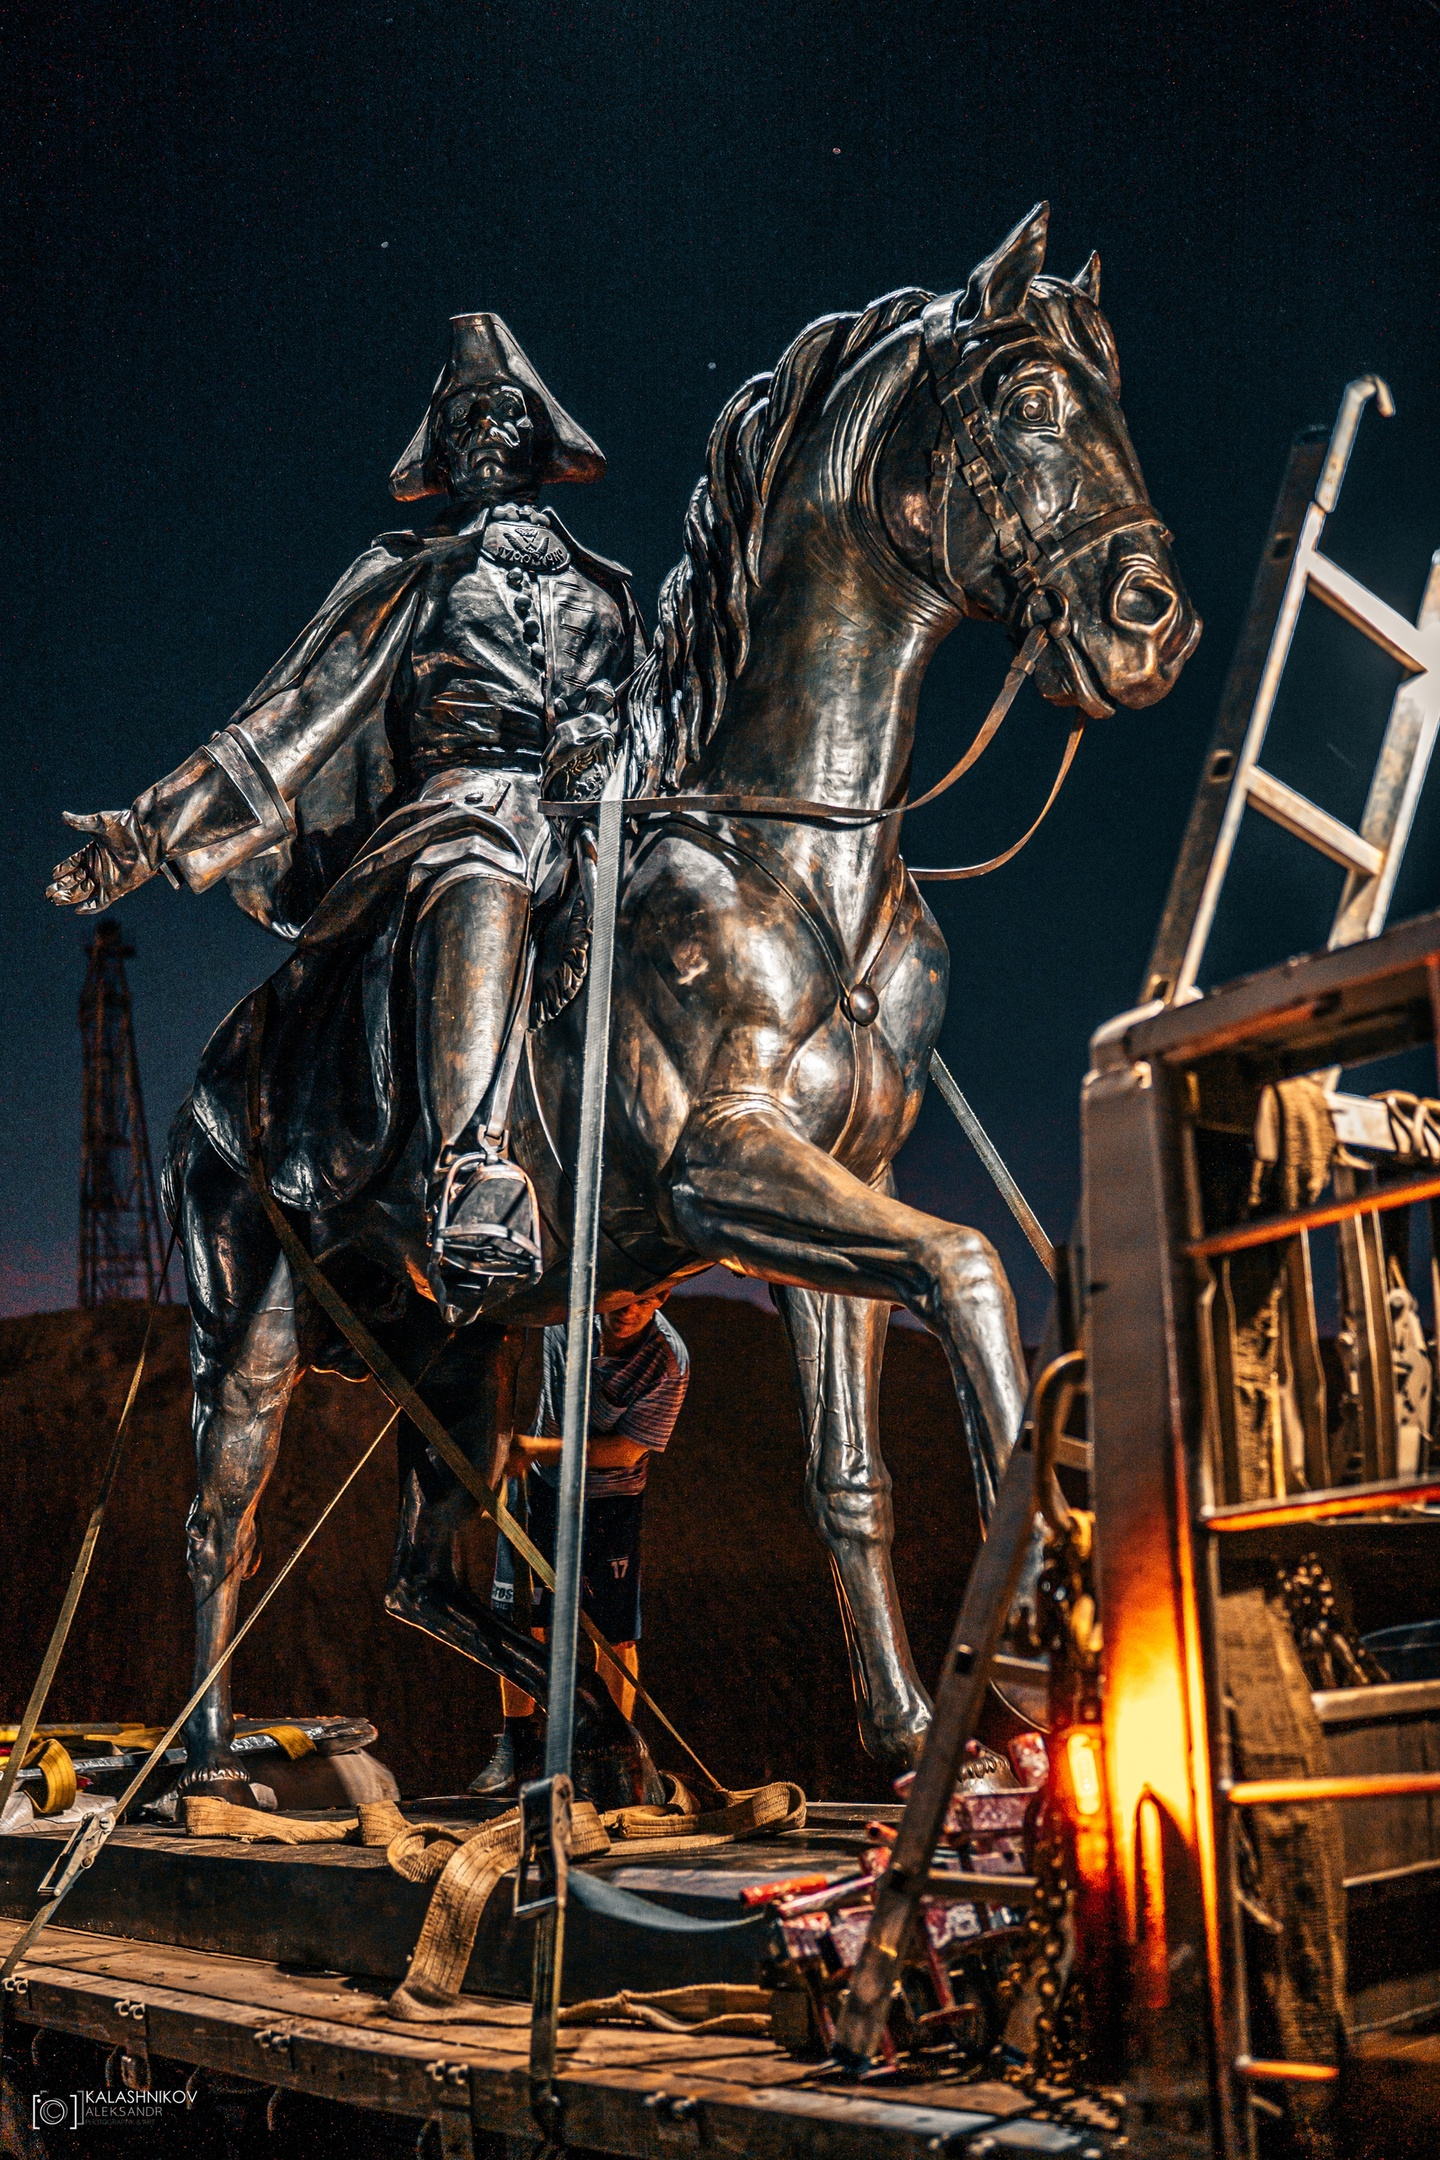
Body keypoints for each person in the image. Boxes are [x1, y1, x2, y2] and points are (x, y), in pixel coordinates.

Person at [46, 315, 642, 1316]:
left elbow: (652, 719)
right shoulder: (413, 577)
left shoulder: (609, 594)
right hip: (457, 815)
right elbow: (284, 723)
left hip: (595, 825)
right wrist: (149, 831)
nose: (484, 429)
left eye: (502, 410)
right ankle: (470, 1174)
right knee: (481, 874)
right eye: (461, 420)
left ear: (541, 432)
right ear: (442, 453)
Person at [475, 1291, 690, 1794]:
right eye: (623, 1297)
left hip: (608, 1501)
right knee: (521, 1621)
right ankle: (517, 1742)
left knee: (613, 1636)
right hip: (540, 1489)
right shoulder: (565, 1312)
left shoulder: (668, 1360)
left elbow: (629, 1449)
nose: (629, 1310)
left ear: (663, 1297)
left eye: (646, 1300)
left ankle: (614, 1749)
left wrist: (535, 1450)